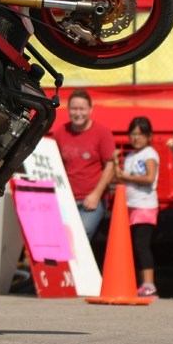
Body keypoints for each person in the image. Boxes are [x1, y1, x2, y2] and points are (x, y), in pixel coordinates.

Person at [52, 89, 116, 241]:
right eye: (74, 108)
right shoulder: (60, 133)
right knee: (60, 237)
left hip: (92, 200)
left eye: (82, 109)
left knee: (81, 235)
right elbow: (53, 164)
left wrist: (96, 194)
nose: (78, 113)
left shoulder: (102, 133)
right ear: (68, 110)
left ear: (90, 110)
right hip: (66, 199)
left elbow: (111, 165)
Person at [115, 116, 160, 298]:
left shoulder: (150, 154)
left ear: (149, 136)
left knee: (142, 245)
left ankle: (149, 284)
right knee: (134, 246)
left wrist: (125, 177)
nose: (136, 138)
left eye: (140, 134)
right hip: (130, 206)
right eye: (133, 134)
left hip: (145, 206)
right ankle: (140, 283)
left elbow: (149, 178)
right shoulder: (131, 156)